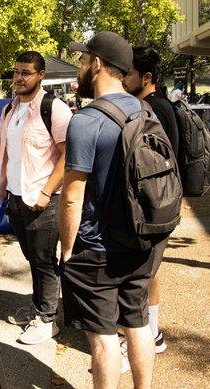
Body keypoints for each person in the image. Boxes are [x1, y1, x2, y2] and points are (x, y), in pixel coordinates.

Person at [59, 31, 158, 388]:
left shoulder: (86, 120)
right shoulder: (144, 110)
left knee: (102, 337)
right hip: (141, 240)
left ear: (97, 64)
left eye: (83, 61)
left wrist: (68, 249)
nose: (80, 68)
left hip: (98, 248)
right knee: (138, 322)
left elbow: (72, 196)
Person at [0, 51, 72, 344]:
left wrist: (46, 193)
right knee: (32, 258)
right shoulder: (10, 110)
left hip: (44, 200)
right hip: (17, 199)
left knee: (43, 260)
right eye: (16, 72)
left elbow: (69, 157)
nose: (18, 78)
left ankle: (47, 320)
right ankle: (39, 307)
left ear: (40, 75)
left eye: (25, 73)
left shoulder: (54, 108)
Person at [120, 46, 176, 370]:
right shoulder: (165, 106)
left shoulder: (146, 111)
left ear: (147, 77)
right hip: (165, 206)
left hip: (152, 210)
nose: (124, 80)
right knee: (150, 274)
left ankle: (139, 342)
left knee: (137, 280)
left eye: (128, 74)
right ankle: (153, 334)